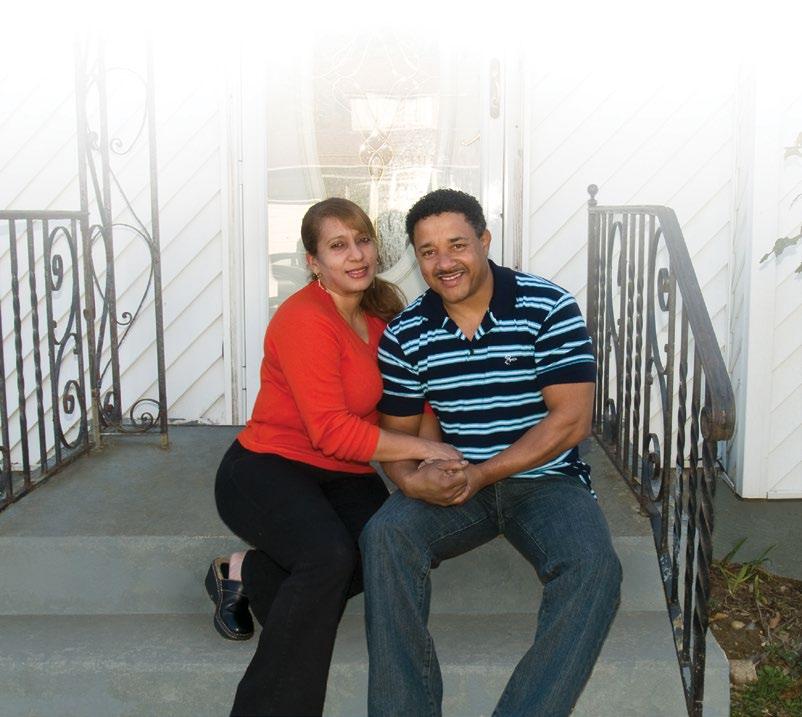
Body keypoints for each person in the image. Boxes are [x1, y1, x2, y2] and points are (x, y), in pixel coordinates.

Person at [359, 189, 623, 717]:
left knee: (594, 567)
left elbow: (571, 421)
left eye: (457, 244)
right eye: (428, 251)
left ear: (484, 240)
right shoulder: (406, 334)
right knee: (385, 535)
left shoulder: (546, 306)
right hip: (459, 481)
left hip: (547, 481)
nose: (444, 262)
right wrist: (410, 480)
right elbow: (397, 436)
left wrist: (484, 473)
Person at [206, 197, 461, 717]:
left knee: (386, 549)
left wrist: (432, 462)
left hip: (342, 473)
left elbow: (415, 399)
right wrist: (425, 449)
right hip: (266, 466)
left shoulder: (381, 317)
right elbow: (330, 432)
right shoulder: (303, 319)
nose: (356, 255)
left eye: (363, 240)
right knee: (327, 558)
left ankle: (244, 573)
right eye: (338, 245)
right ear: (314, 261)